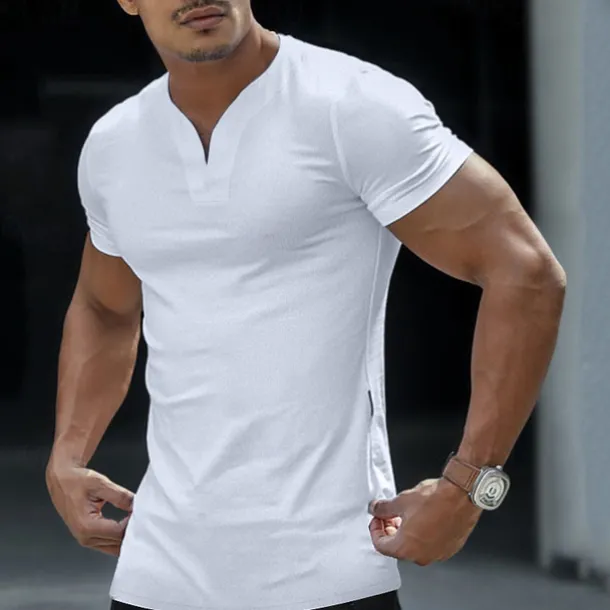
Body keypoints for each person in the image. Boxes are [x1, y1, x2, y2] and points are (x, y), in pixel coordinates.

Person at [45, 1, 567, 609]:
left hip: (330, 573)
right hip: (156, 573)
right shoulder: (114, 145)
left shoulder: (352, 105)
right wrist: (67, 456)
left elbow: (525, 273)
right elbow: (104, 307)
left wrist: (471, 483)